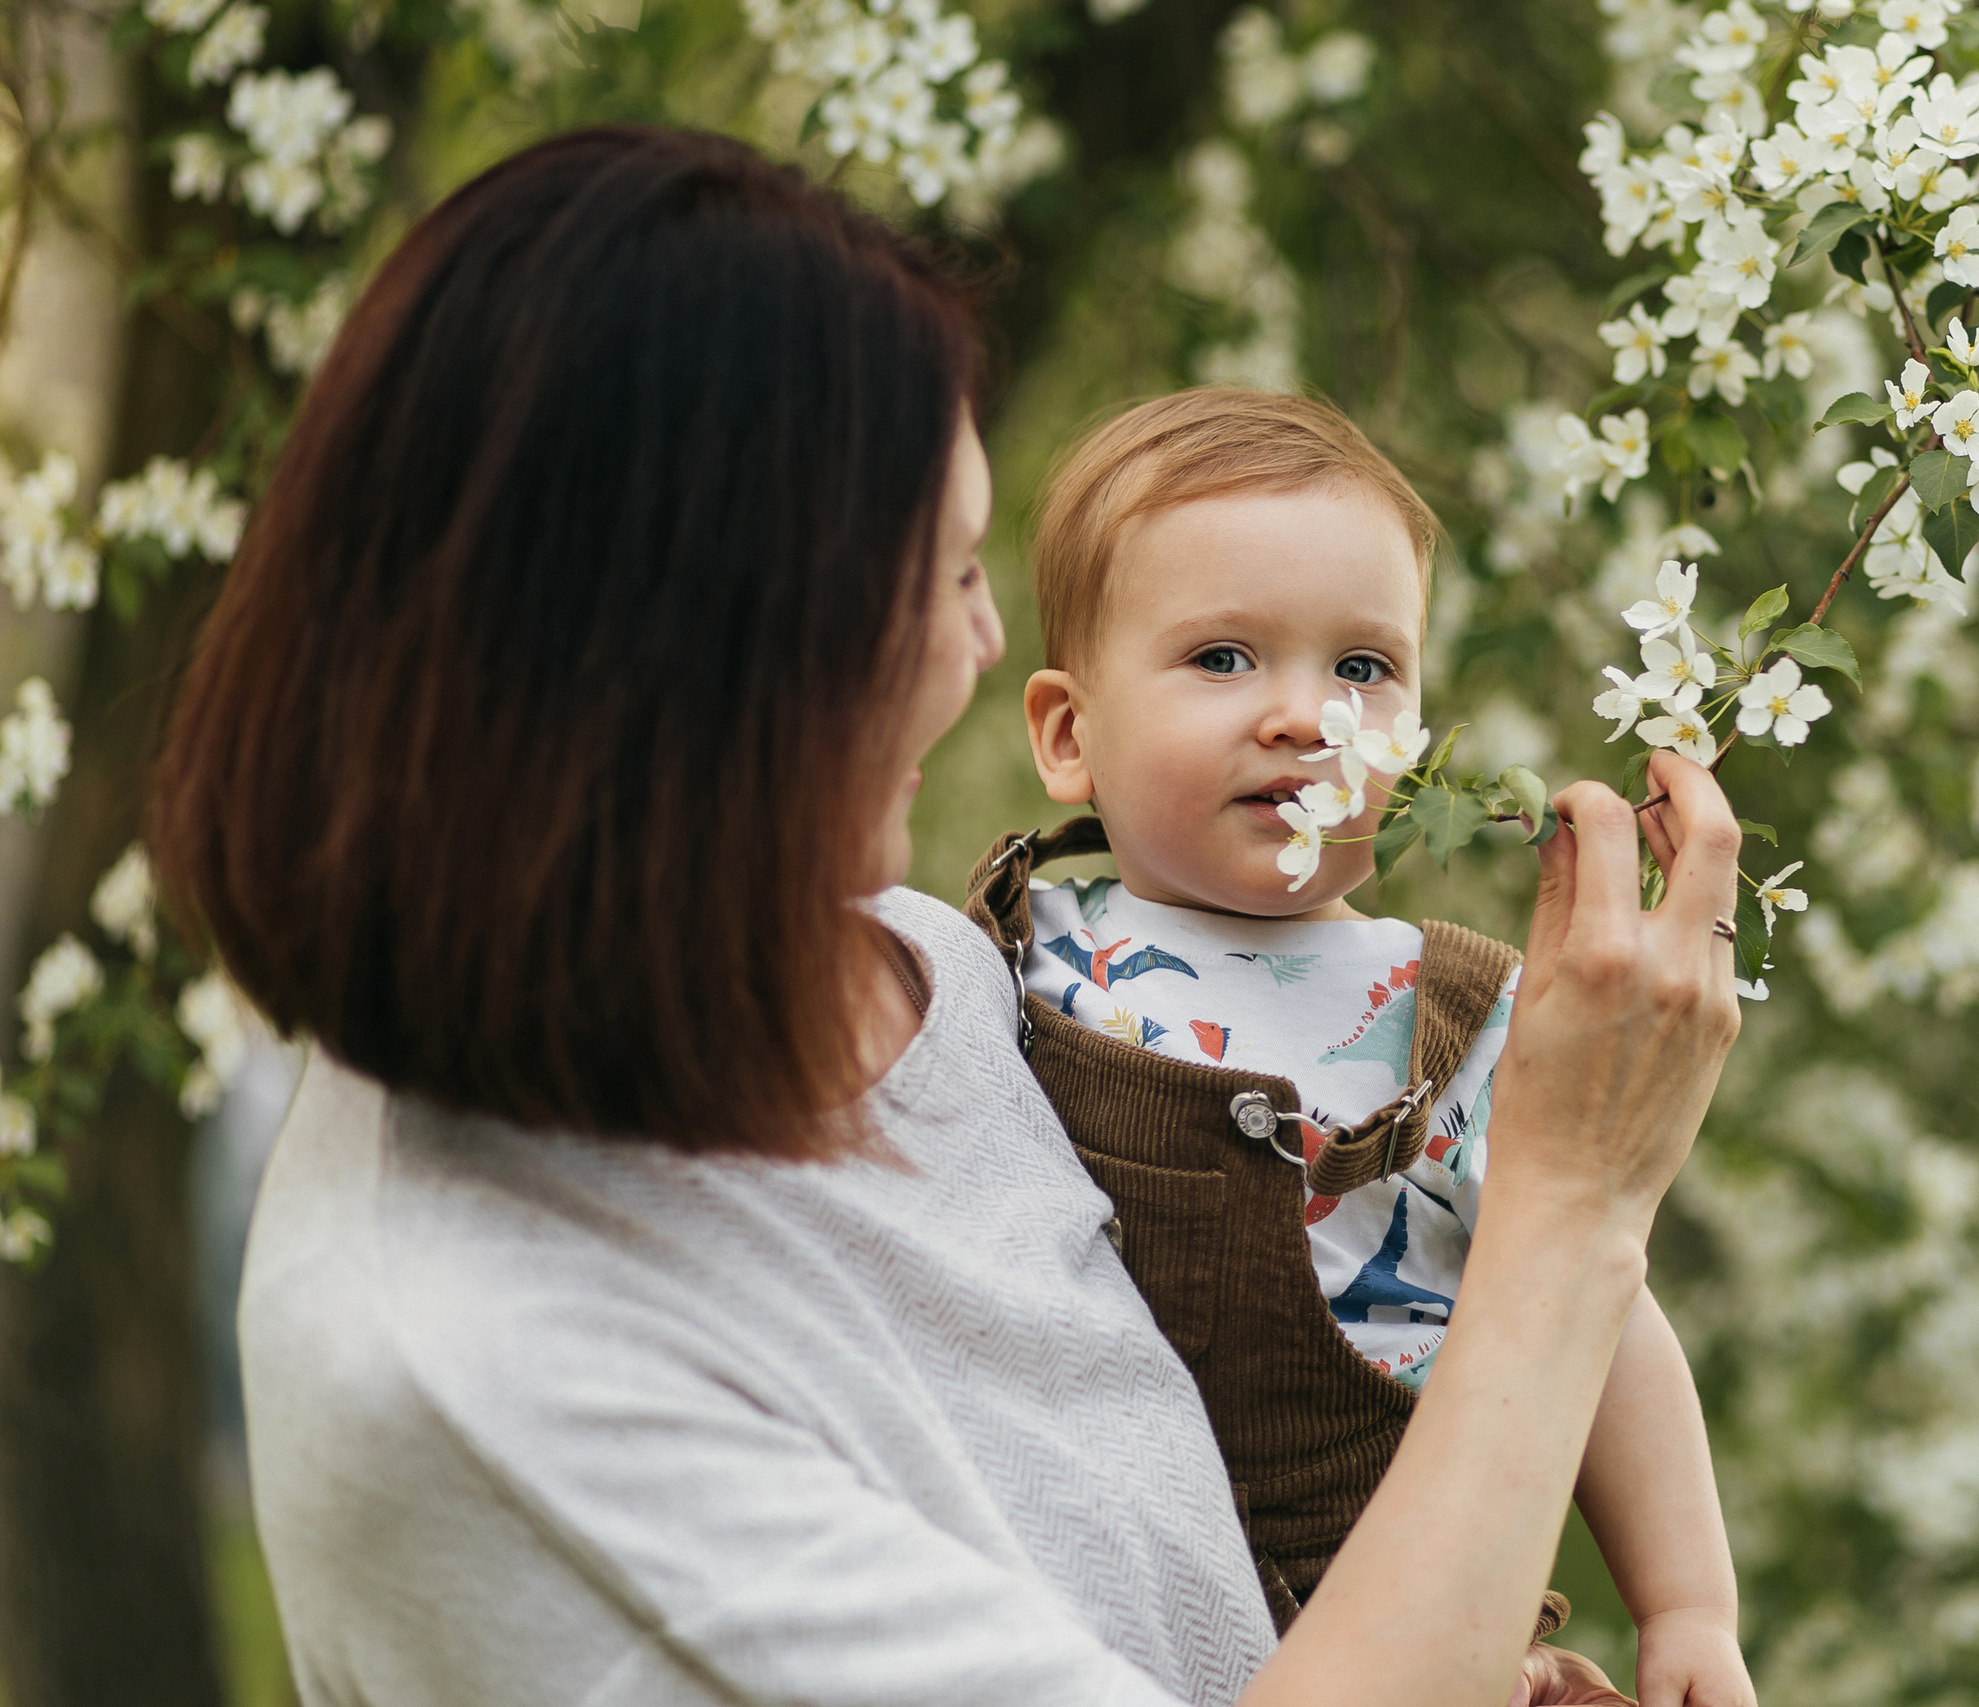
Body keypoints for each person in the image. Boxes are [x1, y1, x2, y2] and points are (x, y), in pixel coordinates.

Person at [148, 125, 1747, 1707]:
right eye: (949, 576)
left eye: (1361, 667)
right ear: (703, 663)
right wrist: (1574, 1213)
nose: (982, 650)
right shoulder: (495, 1375)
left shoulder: (916, 975)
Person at [960, 389, 1753, 1707]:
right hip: (1103, 1607)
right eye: (1222, 659)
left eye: (1363, 670)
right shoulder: (1012, 958)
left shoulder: (1454, 1006)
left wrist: (1688, 1604)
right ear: (1066, 734)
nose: (1304, 717)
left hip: (1405, 1612)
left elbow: (1599, 1292)